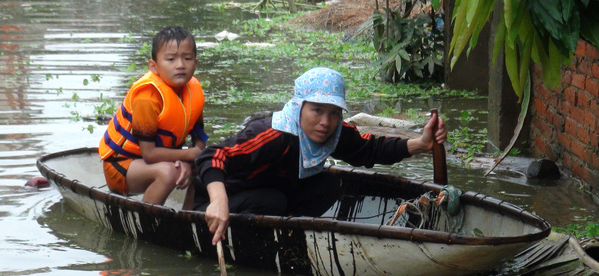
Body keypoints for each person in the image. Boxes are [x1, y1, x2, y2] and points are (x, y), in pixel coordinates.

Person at [194, 67, 447, 245]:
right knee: (273, 201)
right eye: (317, 110)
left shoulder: (334, 132)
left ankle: (291, 236)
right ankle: (263, 242)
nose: (325, 122)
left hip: (272, 196)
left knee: (328, 185)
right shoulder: (274, 134)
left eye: (334, 113)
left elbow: (370, 149)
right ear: (300, 107)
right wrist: (218, 201)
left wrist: (421, 144)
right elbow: (211, 156)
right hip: (217, 206)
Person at [99, 26, 208, 205]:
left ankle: (189, 218)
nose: (180, 65)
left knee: (208, 165)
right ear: (154, 66)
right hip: (123, 165)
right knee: (168, 172)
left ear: (195, 63)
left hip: (164, 158)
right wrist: (188, 155)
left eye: (187, 58)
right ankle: (147, 222)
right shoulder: (147, 97)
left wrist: (190, 160)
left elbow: (199, 138)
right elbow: (149, 154)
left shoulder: (193, 90)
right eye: (171, 59)